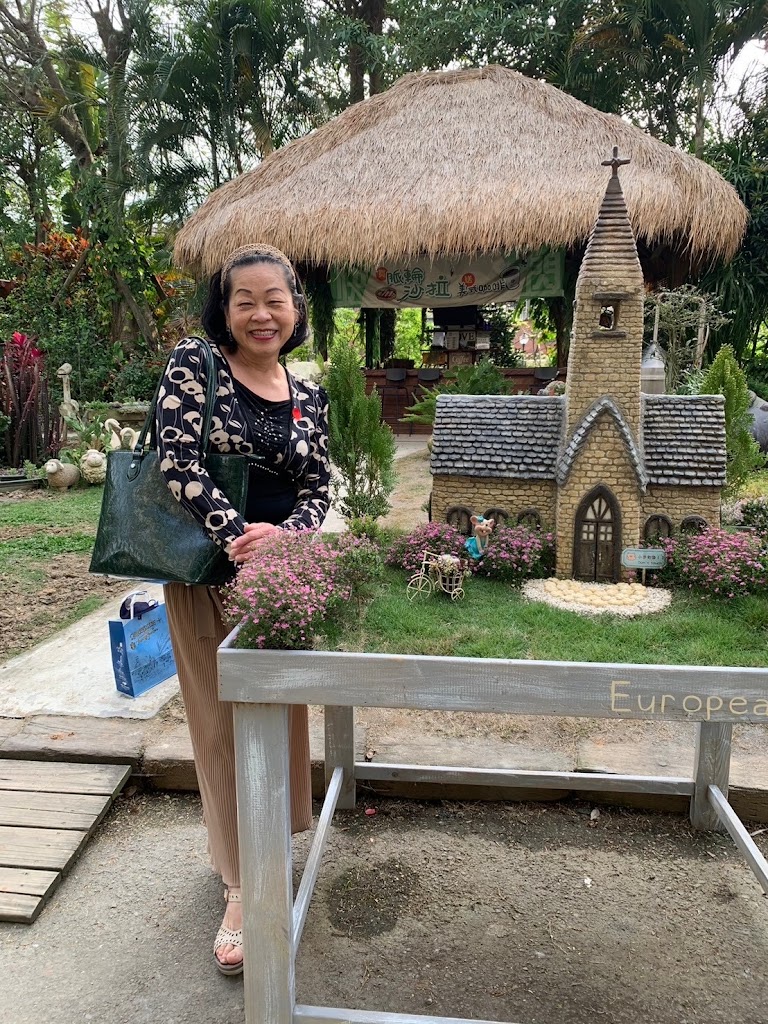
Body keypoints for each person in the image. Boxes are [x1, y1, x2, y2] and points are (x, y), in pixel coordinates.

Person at [156, 243, 330, 975]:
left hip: (282, 577)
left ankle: (273, 840)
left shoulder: (307, 389)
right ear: (222, 309)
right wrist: (238, 537)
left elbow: (320, 487)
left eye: (275, 299)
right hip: (206, 573)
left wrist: (286, 537)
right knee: (224, 724)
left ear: (295, 308)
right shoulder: (196, 364)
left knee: (282, 715)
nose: (261, 313)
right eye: (244, 299)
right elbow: (176, 460)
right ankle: (238, 885)